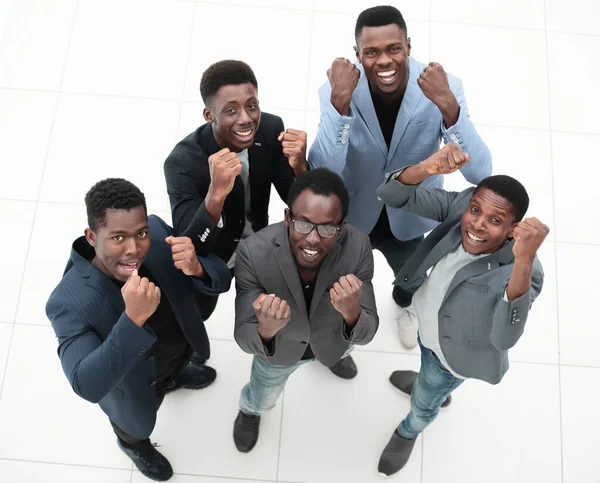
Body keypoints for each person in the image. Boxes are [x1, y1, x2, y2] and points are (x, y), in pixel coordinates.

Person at [308, 5, 492, 349]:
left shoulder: (446, 87)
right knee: (338, 281)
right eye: (371, 52)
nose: (383, 61)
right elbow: (322, 174)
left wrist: (448, 107)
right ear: (357, 55)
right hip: (352, 213)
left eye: (393, 48)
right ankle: (340, 327)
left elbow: (480, 172)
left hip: (409, 213)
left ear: (408, 45)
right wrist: (339, 105)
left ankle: (405, 305)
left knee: (413, 275)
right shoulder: (335, 90)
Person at [374, 144, 549, 477]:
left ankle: (411, 428)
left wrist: (523, 260)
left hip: (452, 357)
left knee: (427, 398)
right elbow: (391, 194)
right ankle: (432, 390)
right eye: (475, 211)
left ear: (513, 229)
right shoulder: (462, 206)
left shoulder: (526, 270)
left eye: (495, 221)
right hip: (428, 327)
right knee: (427, 371)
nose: (477, 224)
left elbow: (504, 335)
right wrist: (424, 169)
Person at [45, 178, 232, 481]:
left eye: (140, 233)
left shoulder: (158, 235)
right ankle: (134, 447)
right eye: (118, 238)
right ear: (92, 236)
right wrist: (132, 320)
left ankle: (176, 377)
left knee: (178, 362)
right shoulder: (68, 302)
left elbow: (220, 278)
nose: (134, 249)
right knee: (134, 430)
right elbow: (86, 384)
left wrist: (198, 267)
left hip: (178, 351)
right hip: (135, 387)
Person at [232, 168, 379, 453]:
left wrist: (351, 313)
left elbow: (367, 330)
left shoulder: (358, 246)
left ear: (342, 226)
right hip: (279, 352)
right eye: (303, 224)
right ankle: (250, 412)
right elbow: (243, 335)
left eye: (327, 228)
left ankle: (332, 359)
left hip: (335, 338)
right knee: (261, 398)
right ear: (288, 218)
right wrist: (265, 330)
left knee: (344, 349)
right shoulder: (252, 252)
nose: (313, 239)